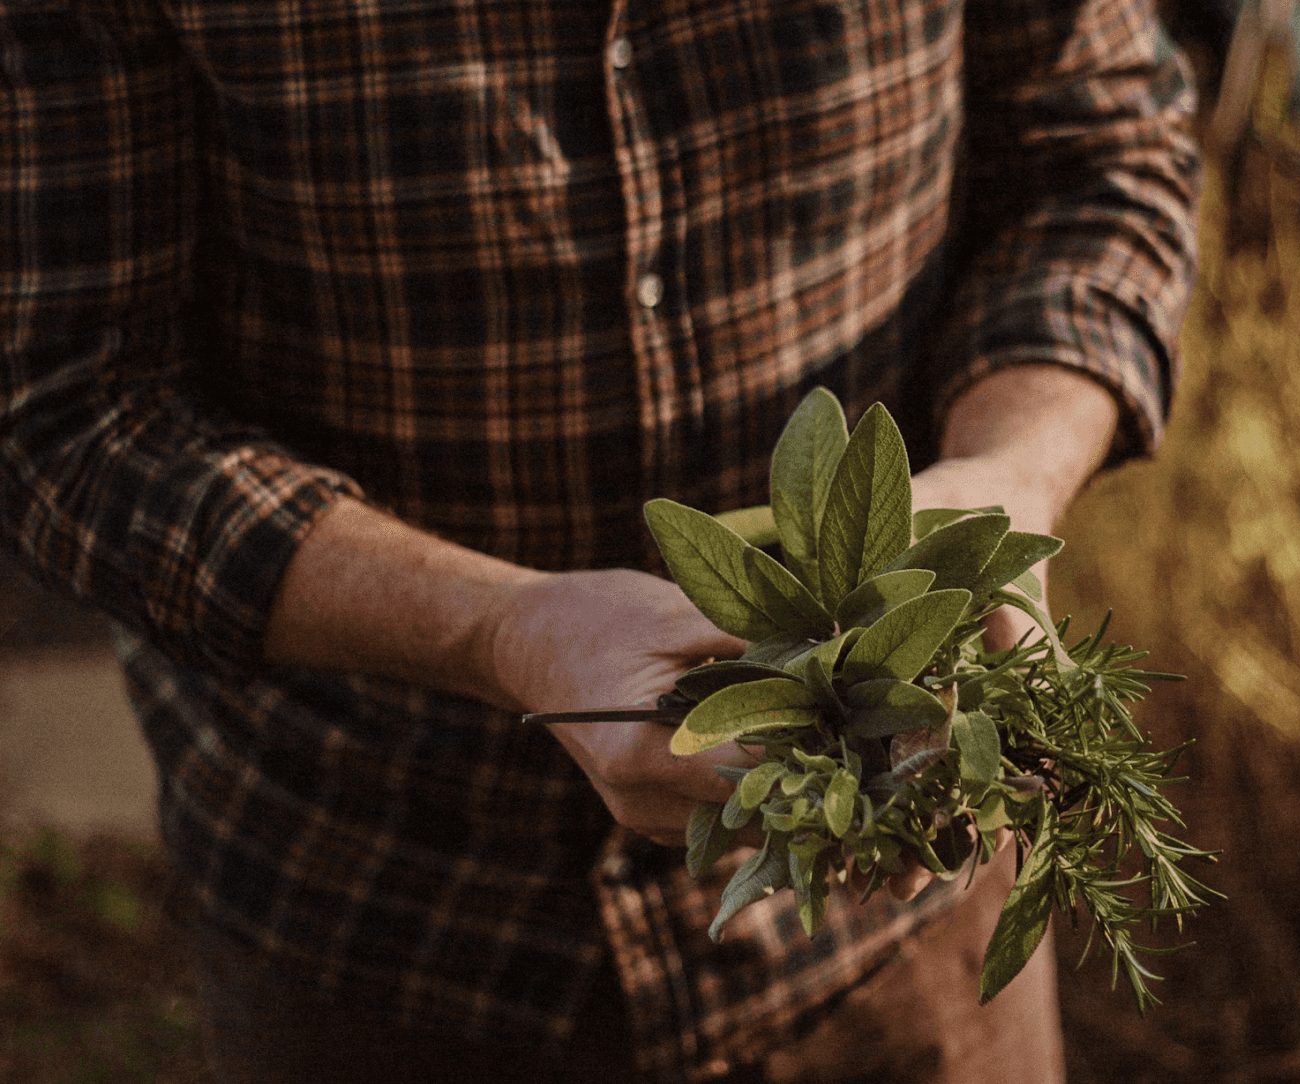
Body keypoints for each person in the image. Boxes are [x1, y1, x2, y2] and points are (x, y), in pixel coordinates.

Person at [0, 1, 1200, 1080]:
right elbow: (68, 410)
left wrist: (1005, 477)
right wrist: (503, 629)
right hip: (387, 920)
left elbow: (1098, 155)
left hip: (896, 898)